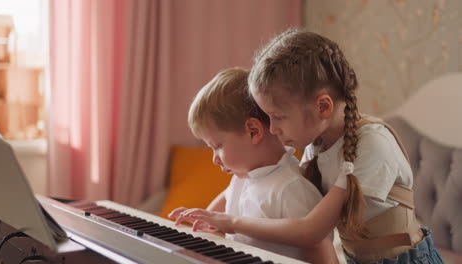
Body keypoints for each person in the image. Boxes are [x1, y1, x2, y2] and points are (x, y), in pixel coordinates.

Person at [174, 30, 444, 264]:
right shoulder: (317, 145)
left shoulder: (372, 145)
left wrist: (230, 222)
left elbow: (311, 232)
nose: (273, 128)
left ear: (322, 107)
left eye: (278, 117)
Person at [168, 67, 338, 263]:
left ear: (253, 131)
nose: (215, 158)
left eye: (217, 146)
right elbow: (215, 216)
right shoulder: (243, 178)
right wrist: (202, 222)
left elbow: (318, 247)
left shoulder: (290, 189)